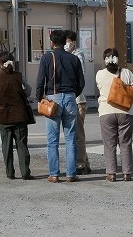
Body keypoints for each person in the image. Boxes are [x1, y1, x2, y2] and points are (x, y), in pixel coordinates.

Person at [34, 29, 84, 183]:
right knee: (70, 139)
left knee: (52, 140)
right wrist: (72, 95)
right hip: (70, 98)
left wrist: (39, 98)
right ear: (65, 42)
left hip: (52, 99)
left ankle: (54, 174)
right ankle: (71, 174)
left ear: (52, 42)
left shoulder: (46, 58)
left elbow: (40, 81)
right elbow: (81, 82)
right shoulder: (74, 59)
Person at [0, 51, 35, 180]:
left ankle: (10, 173)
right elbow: (28, 91)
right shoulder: (19, 76)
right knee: (22, 145)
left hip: (3, 116)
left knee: (6, 147)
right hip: (19, 115)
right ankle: (25, 172)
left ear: (0, 63)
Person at [96, 47, 133, 182]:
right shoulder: (127, 73)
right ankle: (127, 173)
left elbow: (100, 88)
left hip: (106, 112)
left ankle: (111, 173)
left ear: (105, 60)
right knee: (125, 143)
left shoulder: (100, 74)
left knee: (109, 144)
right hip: (125, 112)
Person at [64, 29, 91, 175]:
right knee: (75, 133)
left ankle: (80, 164)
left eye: (68, 42)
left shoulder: (78, 56)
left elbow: (80, 77)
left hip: (78, 99)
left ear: (74, 43)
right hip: (73, 98)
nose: (66, 45)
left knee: (77, 134)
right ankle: (85, 162)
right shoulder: (69, 55)